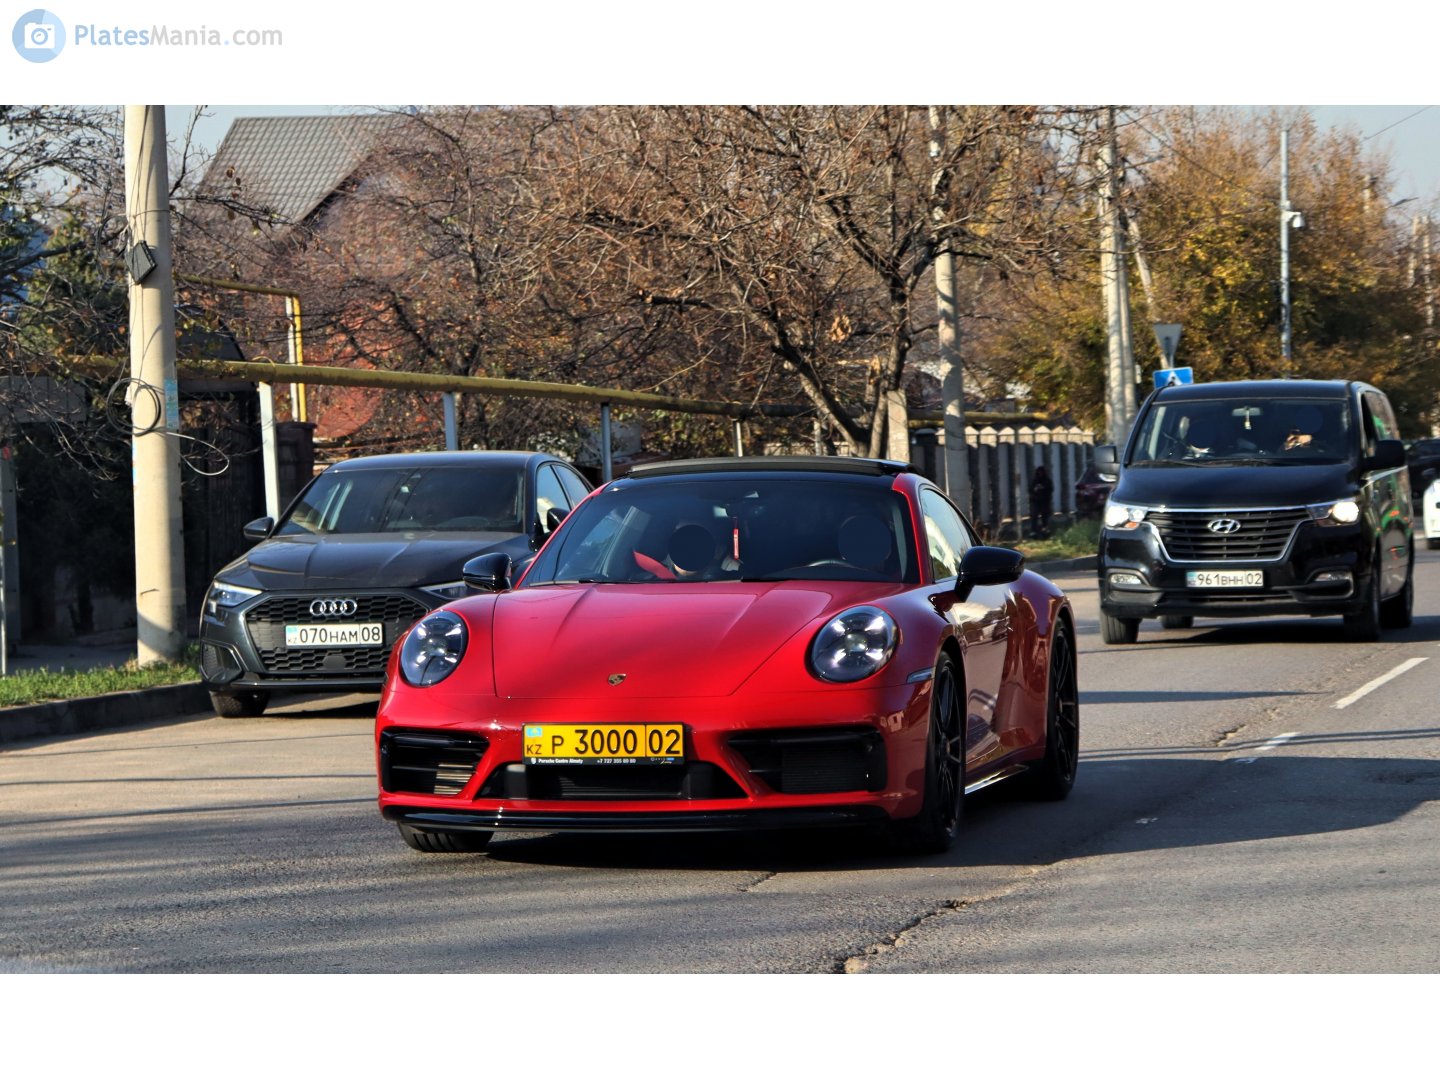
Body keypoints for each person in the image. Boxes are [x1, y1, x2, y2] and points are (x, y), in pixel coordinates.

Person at [1030, 465, 1054, 539]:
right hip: (1036, 501)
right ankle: (1034, 532)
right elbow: (1030, 490)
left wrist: (1043, 489)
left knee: (1045, 517)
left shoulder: (1047, 481)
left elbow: (1050, 490)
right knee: (1034, 516)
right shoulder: (1035, 481)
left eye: (1041, 472)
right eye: (1039, 472)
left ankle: (1045, 531)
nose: (1040, 474)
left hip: (1045, 502)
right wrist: (1035, 491)